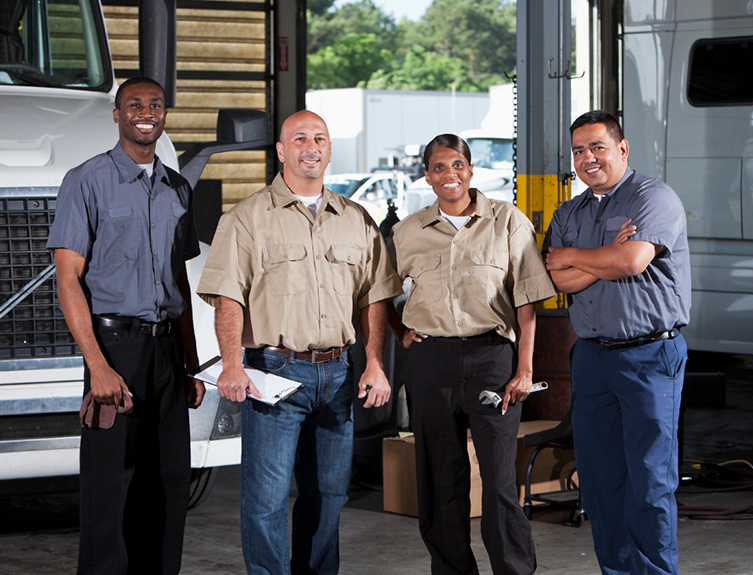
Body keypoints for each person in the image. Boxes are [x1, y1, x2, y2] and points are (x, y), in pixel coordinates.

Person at [196, 110, 402, 575]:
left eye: (320, 138)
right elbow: (227, 297)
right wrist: (232, 364)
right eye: (301, 138)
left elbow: (374, 297)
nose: (312, 147)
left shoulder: (356, 218)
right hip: (274, 372)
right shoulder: (247, 218)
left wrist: (374, 362)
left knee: (329, 494)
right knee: (266, 499)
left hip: (339, 374)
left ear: (329, 149)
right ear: (282, 151)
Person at [47, 76, 205, 575]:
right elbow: (68, 278)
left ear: (164, 115)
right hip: (114, 348)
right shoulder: (86, 180)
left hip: (167, 354)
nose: (146, 112)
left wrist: (192, 364)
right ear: (116, 115)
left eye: (155, 105)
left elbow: (178, 279)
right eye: (134, 104)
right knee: (110, 485)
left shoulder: (177, 187)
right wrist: (97, 365)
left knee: (168, 481)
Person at [388, 134, 556, 575]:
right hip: (431, 364)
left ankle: (514, 570)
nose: (450, 175)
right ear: (427, 176)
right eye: (440, 167)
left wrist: (525, 368)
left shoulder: (507, 221)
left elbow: (527, 300)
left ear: (471, 170)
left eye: (458, 165)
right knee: (441, 480)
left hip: (492, 361)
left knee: (500, 483)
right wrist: (399, 330)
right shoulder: (407, 232)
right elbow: (377, 291)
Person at [543, 110, 691, 575]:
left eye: (598, 147)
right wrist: (594, 259)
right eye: (580, 151)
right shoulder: (570, 212)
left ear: (622, 149)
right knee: (602, 482)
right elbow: (556, 278)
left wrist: (576, 257)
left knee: (650, 481)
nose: (589, 158)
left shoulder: (654, 198)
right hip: (591, 358)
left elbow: (630, 261)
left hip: (651, 356)